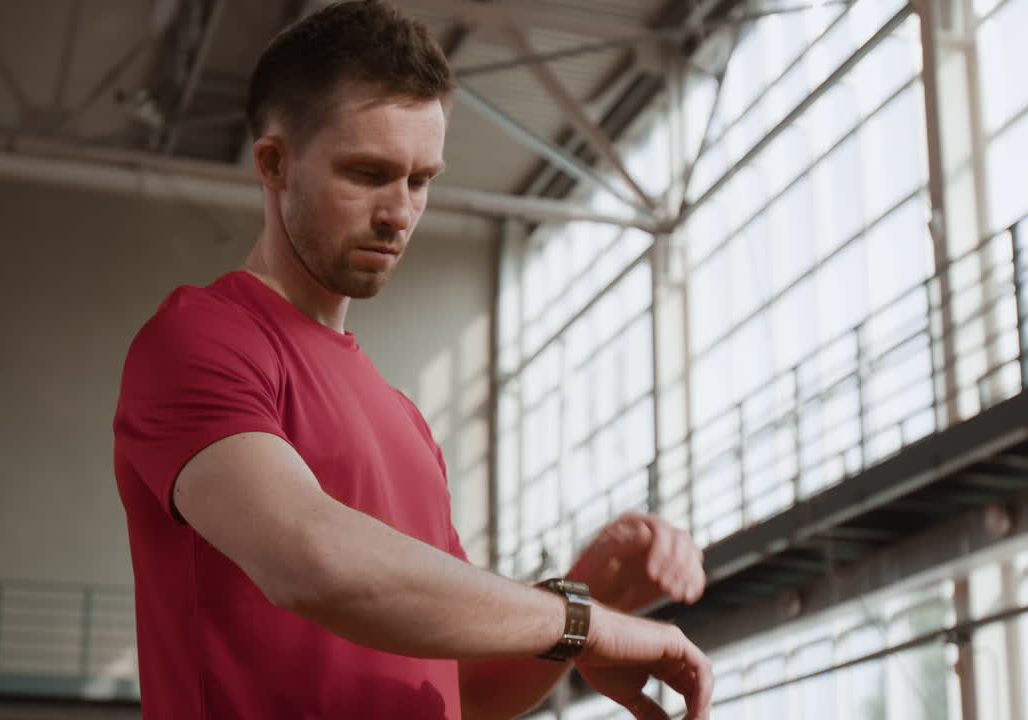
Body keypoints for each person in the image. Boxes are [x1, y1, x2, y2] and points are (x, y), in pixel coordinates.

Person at [112, 1, 713, 718]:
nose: (399, 211)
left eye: (420, 180)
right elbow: (312, 562)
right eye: (368, 173)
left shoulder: (405, 420)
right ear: (274, 164)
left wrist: (587, 594)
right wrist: (583, 624)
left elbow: (466, 686)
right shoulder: (202, 338)